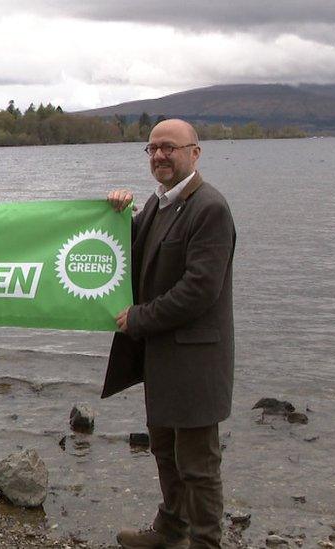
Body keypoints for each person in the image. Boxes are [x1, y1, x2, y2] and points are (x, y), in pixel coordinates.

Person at [104, 119, 236, 548]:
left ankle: (205, 542)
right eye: (153, 148)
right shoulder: (159, 203)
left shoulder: (210, 208)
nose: (160, 155)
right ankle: (171, 530)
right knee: (163, 450)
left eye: (170, 148)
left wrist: (138, 319)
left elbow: (199, 291)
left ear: (194, 153)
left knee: (198, 465)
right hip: (160, 357)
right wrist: (117, 213)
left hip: (196, 361)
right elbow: (132, 249)